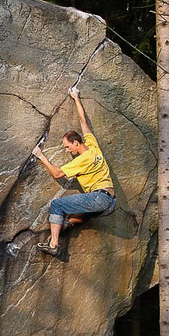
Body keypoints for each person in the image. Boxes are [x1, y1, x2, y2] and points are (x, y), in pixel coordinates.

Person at [31, 87, 116, 256]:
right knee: (78, 216)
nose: (67, 150)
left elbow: (57, 174)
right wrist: (76, 98)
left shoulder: (82, 160)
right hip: (111, 203)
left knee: (57, 205)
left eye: (67, 146)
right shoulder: (93, 146)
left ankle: (54, 244)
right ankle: (69, 223)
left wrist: (41, 157)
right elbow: (84, 123)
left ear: (76, 143)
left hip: (100, 198)